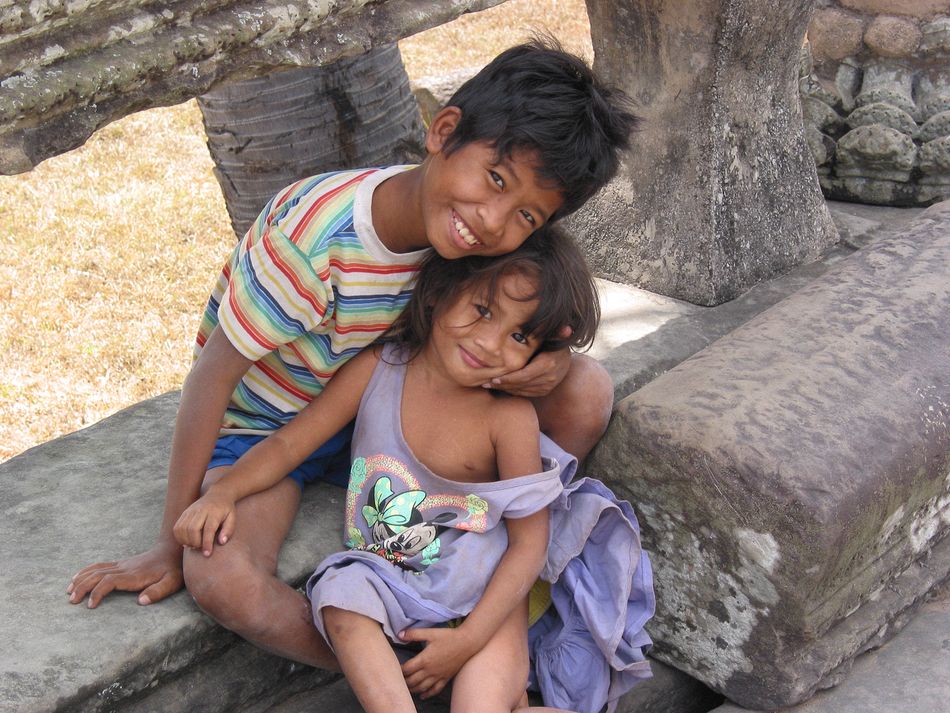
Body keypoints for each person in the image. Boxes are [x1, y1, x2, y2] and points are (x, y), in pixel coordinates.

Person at [67, 37, 640, 673]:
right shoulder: (314, 244)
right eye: (495, 179)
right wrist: (167, 541)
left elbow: (533, 319)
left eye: (526, 216)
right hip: (270, 432)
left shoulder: (482, 241)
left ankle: (499, 583)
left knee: (584, 389)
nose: (492, 220)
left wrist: (549, 360)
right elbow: (211, 378)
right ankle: (405, 671)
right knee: (221, 579)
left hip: (389, 415)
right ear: (443, 131)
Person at [172, 230, 653, 713]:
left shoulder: (509, 419)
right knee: (338, 595)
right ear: (442, 290)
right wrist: (224, 492)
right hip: (386, 572)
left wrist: (468, 640)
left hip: (483, 594)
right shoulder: (379, 368)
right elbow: (289, 444)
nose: (489, 343)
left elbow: (529, 544)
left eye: (519, 336)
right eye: (483, 310)